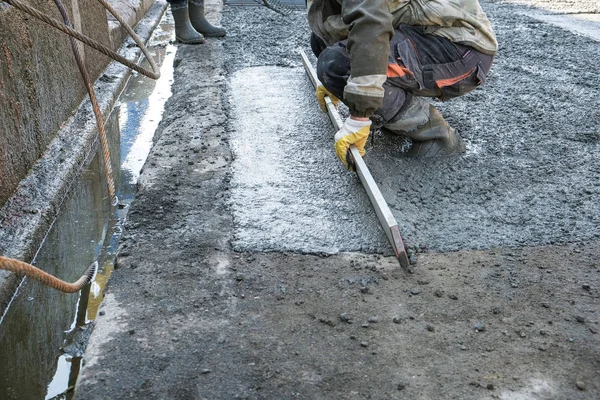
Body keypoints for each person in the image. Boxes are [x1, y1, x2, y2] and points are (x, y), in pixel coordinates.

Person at [307, 0, 498, 169]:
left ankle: (434, 135)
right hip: (423, 30)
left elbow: (370, 26)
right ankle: (393, 116)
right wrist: (334, 80)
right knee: (322, 44)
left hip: (459, 47)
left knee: (339, 64)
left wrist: (359, 114)